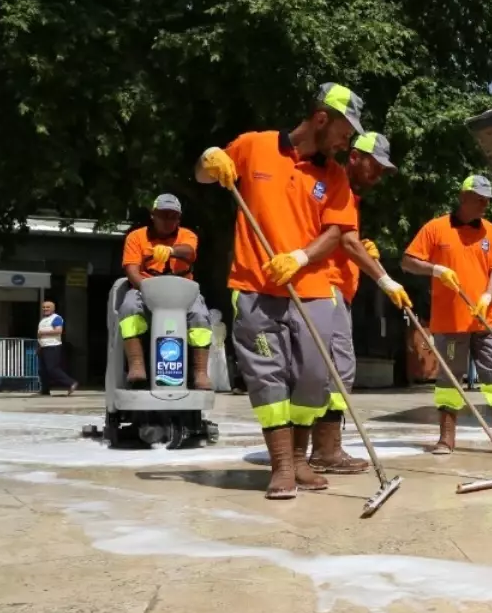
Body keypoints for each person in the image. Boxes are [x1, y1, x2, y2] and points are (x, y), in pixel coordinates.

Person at [196, 81, 364, 500]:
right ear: (321, 118)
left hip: (312, 288)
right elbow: (204, 173)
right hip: (255, 288)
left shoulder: (334, 175)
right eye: (345, 131)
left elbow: (337, 230)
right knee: (267, 379)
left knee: (314, 377)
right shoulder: (255, 146)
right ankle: (284, 465)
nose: (347, 142)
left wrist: (301, 258)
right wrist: (208, 159)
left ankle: (302, 457)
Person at [401, 175, 492, 457]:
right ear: (463, 197)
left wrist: (487, 296)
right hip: (450, 323)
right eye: (480, 199)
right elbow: (408, 261)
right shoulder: (436, 228)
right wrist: (436, 270)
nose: (485, 205)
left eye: (488, 200)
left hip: (488, 320)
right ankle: (446, 438)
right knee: (449, 379)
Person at [308, 130, 412, 473]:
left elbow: (338, 238)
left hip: (336, 288)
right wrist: (383, 278)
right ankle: (325, 452)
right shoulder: (330, 184)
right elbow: (335, 238)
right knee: (336, 368)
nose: (379, 175)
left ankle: (325, 449)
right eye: (375, 166)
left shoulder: (347, 195)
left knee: (334, 370)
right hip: (326, 287)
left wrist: (356, 246)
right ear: (354, 157)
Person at [117, 193, 213, 389]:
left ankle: (200, 372)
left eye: (173, 216)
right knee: (128, 307)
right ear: (153, 215)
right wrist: (146, 290)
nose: (168, 220)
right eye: (163, 215)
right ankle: (136, 364)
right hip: (145, 287)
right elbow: (131, 269)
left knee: (201, 315)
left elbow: (190, 252)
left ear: (179, 218)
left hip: (182, 290)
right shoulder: (136, 237)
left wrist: (171, 251)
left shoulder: (187, 235)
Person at [36, 300, 77, 395]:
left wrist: (43, 333)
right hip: (43, 346)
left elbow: (58, 331)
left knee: (52, 368)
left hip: (53, 346)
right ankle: (45, 390)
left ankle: (71, 382)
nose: (45, 309)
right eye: (44, 307)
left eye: (48, 307)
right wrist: (39, 346)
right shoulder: (43, 320)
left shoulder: (56, 318)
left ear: (53, 309)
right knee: (42, 370)